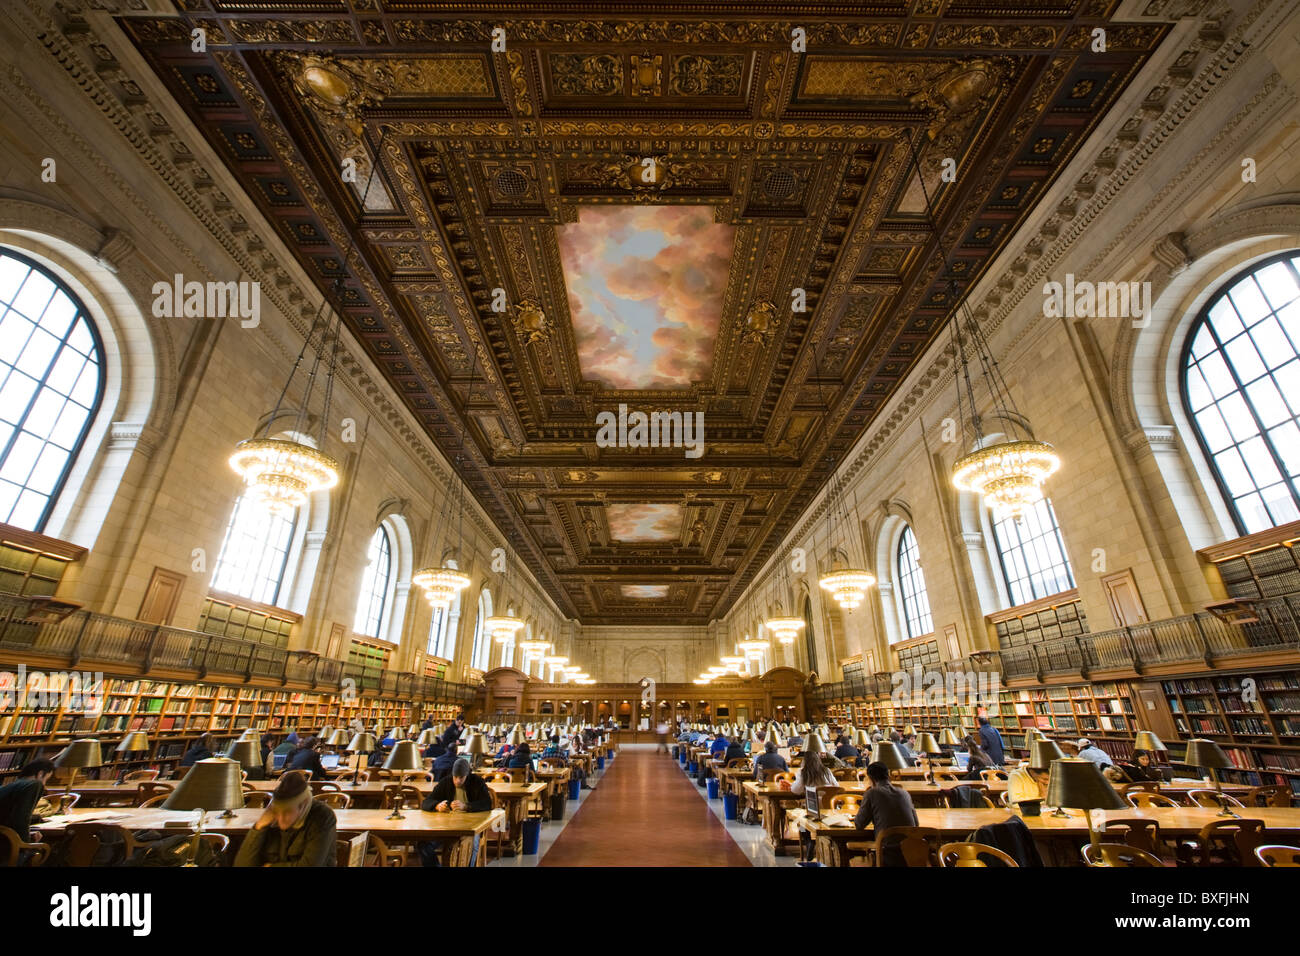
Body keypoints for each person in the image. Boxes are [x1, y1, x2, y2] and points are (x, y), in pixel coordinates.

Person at [233, 771, 336, 867]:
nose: (280, 819)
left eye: (287, 812)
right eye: (277, 812)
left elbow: (311, 865)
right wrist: (259, 828)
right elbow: (241, 864)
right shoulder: (270, 820)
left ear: (303, 805)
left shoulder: (322, 816)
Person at [418, 757, 493, 866]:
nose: (457, 781)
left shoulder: (477, 782)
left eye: (461, 777)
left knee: (472, 845)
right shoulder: (446, 782)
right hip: (446, 826)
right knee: (423, 843)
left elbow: (487, 804)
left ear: (467, 775)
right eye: (455, 777)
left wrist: (466, 806)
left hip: (471, 825)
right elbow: (426, 802)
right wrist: (437, 806)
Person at [853, 761, 920, 866]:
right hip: (911, 852)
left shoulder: (871, 793)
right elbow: (916, 824)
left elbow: (859, 824)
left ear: (871, 779)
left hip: (887, 853)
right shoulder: (905, 793)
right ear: (888, 776)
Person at [0, 758, 55, 839]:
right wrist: (26, 845)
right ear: (40, 774)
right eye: (46, 779)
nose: (44, 784)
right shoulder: (34, 784)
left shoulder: (14, 785)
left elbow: (11, 819)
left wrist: (29, 833)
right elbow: (21, 819)